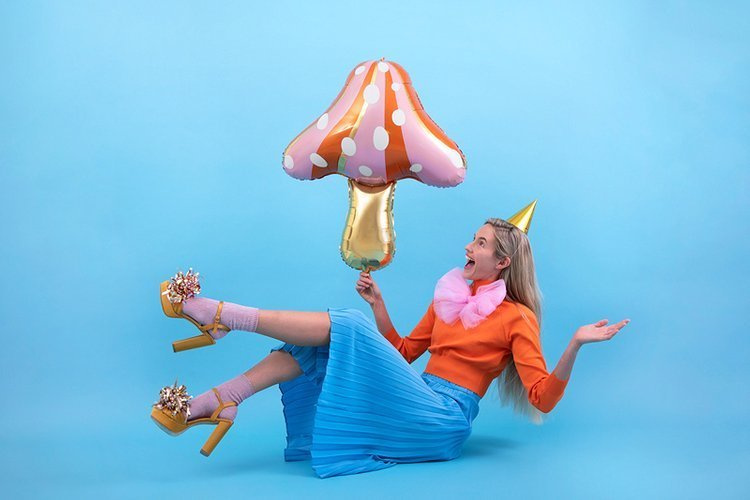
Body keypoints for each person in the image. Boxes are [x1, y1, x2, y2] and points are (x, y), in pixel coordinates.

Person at [150, 214, 630, 478]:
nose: (468, 247)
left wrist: (574, 344)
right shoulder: (449, 297)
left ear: (501, 262)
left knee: (347, 327)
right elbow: (401, 355)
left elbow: (541, 398)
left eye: (480, 243)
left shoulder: (516, 317)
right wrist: (380, 305)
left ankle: (224, 316)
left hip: (443, 420)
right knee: (323, 346)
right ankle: (220, 400)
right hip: (416, 395)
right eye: (472, 239)